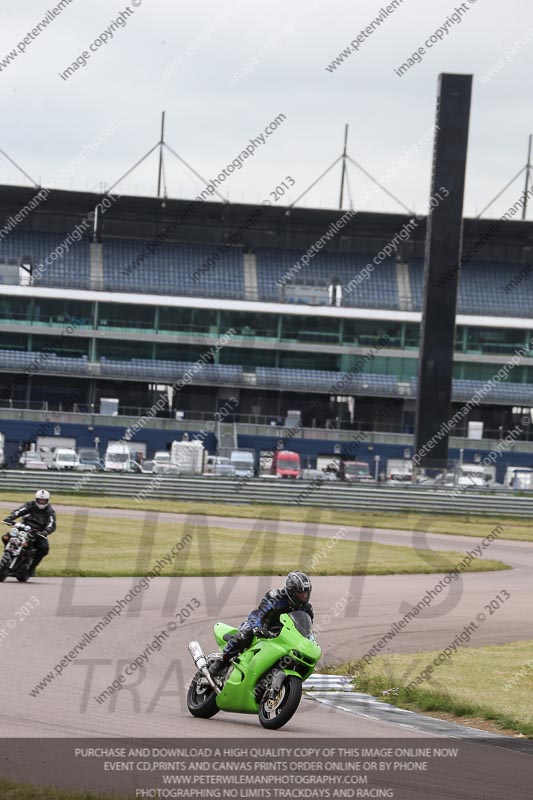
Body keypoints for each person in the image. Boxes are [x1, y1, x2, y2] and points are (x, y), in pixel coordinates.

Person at [209, 571, 313, 678]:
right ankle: (221, 662)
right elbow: (259, 613)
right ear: (291, 591)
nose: (304, 597)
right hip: (262, 628)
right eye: (300, 594)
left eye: (306, 593)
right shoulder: (276, 597)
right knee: (245, 633)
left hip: (282, 637)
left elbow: (306, 629)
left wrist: (309, 641)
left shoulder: (306, 609)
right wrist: (258, 628)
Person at [3, 489, 56, 577]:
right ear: (36, 499)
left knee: (44, 548)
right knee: (5, 537)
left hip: (38, 532)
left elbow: (51, 523)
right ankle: (9, 551)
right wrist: (10, 518)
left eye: (44, 500)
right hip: (23, 527)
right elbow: (19, 511)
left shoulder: (50, 511)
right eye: (40, 500)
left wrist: (46, 532)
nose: (42, 502)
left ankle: (32, 567)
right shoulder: (30, 505)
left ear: (47, 500)